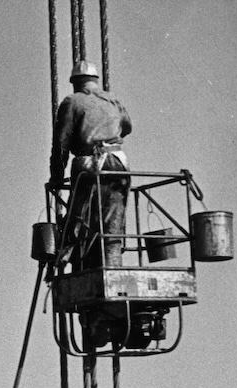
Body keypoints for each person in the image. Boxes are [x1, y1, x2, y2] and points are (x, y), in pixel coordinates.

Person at [50, 59, 132, 271]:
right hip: (118, 164)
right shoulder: (112, 99)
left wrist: (57, 178)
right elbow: (127, 126)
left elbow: (61, 145)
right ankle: (112, 269)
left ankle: (66, 255)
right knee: (112, 222)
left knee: (79, 219)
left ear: (75, 83)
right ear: (95, 81)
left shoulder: (72, 102)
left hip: (90, 165)